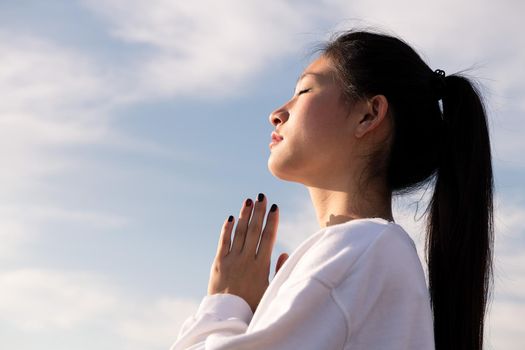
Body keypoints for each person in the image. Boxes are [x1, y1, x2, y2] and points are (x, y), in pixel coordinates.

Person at [170, 29, 494, 350]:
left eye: (304, 91)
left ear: (369, 115)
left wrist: (227, 301)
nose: (276, 114)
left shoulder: (364, 248)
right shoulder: (373, 252)